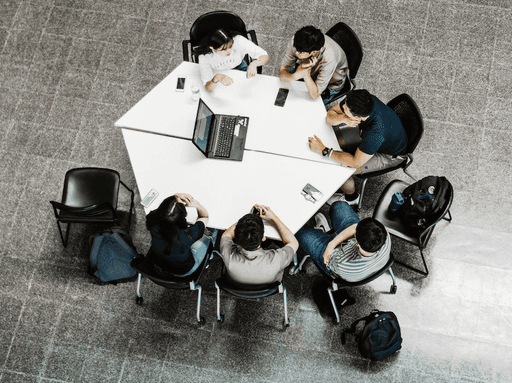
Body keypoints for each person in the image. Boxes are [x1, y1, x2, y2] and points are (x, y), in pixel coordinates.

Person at [308, 89, 408, 205]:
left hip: (390, 155)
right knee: (335, 144)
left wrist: (324, 150)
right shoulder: (360, 101)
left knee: (339, 169)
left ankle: (351, 198)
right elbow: (329, 116)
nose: (343, 108)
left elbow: (354, 162)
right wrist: (343, 118)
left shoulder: (375, 135)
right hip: (386, 135)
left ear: (358, 117)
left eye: (346, 110)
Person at [295, 201, 391, 282]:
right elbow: (355, 227)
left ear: (356, 241)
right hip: (364, 263)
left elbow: (329, 256)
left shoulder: (341, 262)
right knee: (339, 206)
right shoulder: (383, 234)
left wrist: (331, 244)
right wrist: (332, 243)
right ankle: (328, 236)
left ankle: (324, 233)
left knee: (300, 233)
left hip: (336, 264)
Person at [219, 204, 299, 286]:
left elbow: (226, 234)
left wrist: (246, 221)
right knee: (276, 245)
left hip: (235, 286)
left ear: (236, 238)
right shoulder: (276, 260)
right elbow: (294, 243)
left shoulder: (228, 256)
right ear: (263, 238)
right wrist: (274, 218)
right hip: (269, 284)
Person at [145, 193, 211, 277]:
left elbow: (165, 210)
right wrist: (197, 204)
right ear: (182, 220)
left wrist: (176, 196)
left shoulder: (152, 219)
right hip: (184, 270)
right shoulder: (187, 236)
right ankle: (208, 255)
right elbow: (205, 216)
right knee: (209, 234)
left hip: (161, 263)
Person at [278, 25, 349, 104]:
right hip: (309, 69)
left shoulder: (330, 59)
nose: (296, 52)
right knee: (282, 92)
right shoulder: (296, 42)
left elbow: (315, 95)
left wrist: (305, 74)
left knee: (306, 107)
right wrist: (295, 75)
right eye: (296, 49)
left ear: (313, 52)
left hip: (330, 84)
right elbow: (282, 73)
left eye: (300, 52)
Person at [196, 28, 269, 92]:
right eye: (223, 50)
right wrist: (214, 79)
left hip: (239, 66)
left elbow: (264, 55)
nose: (229, 51)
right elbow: (208, 88)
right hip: (219, 73)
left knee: (252, 89)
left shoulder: (238, 40)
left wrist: (255, 63)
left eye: (230, 46)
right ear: (212, 48)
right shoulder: (204, 57)